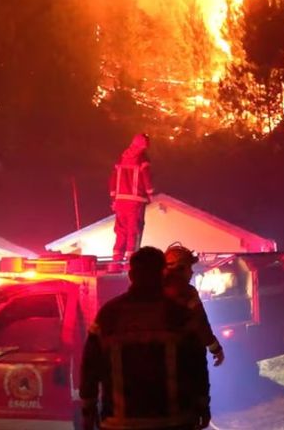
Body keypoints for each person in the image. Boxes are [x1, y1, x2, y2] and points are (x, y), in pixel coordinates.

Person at [80, 246, 211, 430]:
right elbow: (197, 365)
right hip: (174, 422)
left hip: (120, 424)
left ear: (131, 275)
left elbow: (90, 366)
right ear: (161, 274)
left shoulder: (109, 315)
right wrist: (203, 405)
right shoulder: (179, 314)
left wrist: (88, 410)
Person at [163, 243, 225, 366]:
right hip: (181, 354)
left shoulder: (152, 287)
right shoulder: (187, 292)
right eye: (188, 267)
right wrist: (215, 348)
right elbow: (199, 321)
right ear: (179, 267)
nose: (191, 272)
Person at [109, 133, 154, 261]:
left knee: (120, 231)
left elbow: (112, 179)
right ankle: (131, 261)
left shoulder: (121, 158)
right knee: (133, 231)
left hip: (120, 202)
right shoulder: (142, 158)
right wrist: (150, 194)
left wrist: (114, 198)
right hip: (135, 201)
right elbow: (146, 177)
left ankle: (116, 261)